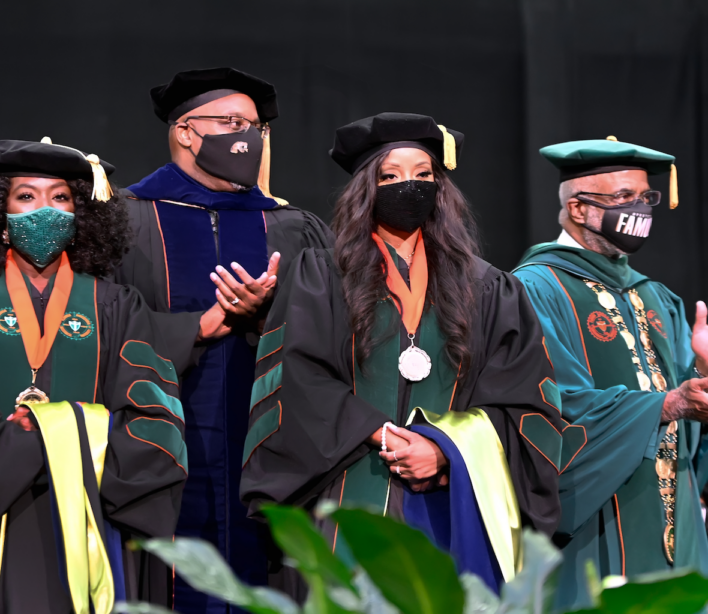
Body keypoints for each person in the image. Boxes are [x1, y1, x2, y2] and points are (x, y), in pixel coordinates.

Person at [240, 113, 563, 598]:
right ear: (366, 189)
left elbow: (524, 400)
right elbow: (297, 375)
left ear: (440, 186)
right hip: (347, 486)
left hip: (453, 495)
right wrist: (382, 432)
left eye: (422, 174)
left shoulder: (489, 287)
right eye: (389, 176)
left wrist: (443, 451)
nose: (407, 186)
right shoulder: (321, 275)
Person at [0, 138, 197, 613]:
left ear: (83, 215)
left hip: (85, 507)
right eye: (27, 196)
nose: (46, 210)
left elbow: (154, 415)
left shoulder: (115, 305)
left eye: (61, 198)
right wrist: (12, 445)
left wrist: (70, 438)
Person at [115, 66, 334, 612]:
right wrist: (196, 327)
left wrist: (264, 319)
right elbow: (99, 327)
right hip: (158, 435)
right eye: (230, 121)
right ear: (186, 130)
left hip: (268, 437)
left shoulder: (291, 226)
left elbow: (333, 336)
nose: (247, 137)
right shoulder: (124, 219)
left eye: (255, 126)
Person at [513, 136, 708, 609]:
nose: (640, 208)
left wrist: (702, 370)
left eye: (647, 197)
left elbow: (689, 407)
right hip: (597, 509)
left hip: (675, 506)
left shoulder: (656, 296)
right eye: (623, 198)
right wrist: (668, 403)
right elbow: (554, 401)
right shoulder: (534, 287)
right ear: (578, 209)